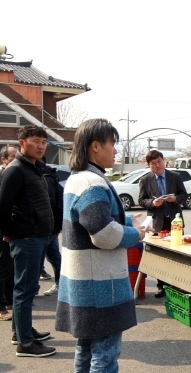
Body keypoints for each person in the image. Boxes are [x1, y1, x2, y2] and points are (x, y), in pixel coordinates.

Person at [55, 118, 146, 372]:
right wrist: (135, 234)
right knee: (105, 355)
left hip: (85, 280)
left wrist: (127, 220)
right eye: (112, 144)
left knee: (86, 349)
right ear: (95, 146)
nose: (115, 150)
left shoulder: (79, 178)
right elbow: (103, 233)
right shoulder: (91, 183)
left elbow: (88, 222)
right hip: (100, 285)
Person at [0, 126, 56, 357]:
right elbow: (2, 204)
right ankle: (25, 343)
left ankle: (21, 332)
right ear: (23, 143)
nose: (41, 146)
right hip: (26, 237)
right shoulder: (15, 170)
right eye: (36, 141)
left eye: (44, 141)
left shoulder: (34, 169)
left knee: (26, 287)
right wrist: (7, 232)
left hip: (38, 236)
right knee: (25, 289)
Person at [138, 150, 187, 298]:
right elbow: (141, 201)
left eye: (159, 161)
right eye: (153, 163)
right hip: (156, 223)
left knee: (177, 254)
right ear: (149, 165)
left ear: (164, 161)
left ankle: (178, 285)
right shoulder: (145, 180)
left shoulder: (175, 177)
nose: (157, 165)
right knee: (159, 257)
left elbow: (184, 195)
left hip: (175, 221)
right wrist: (152, 203)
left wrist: (175, 199)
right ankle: (162, 286)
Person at [39, 158, 63, 296]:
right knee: (53, 256)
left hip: (46, 226)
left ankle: (32, 288)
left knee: (39, 258)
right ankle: (61, 284)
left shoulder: (45, 178)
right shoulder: (50, 175)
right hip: (52, 226)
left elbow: (48, 204)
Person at [0, 144, 18, 322]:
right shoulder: (3, 177)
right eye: (12, 156)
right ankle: (1, 308)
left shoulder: (15, 176)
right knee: (3, 269)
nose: (16, 159)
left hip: (15, 231)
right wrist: (4, 231)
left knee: (11, 268)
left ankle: (10, 299)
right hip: (4, 232)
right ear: (3, 160)